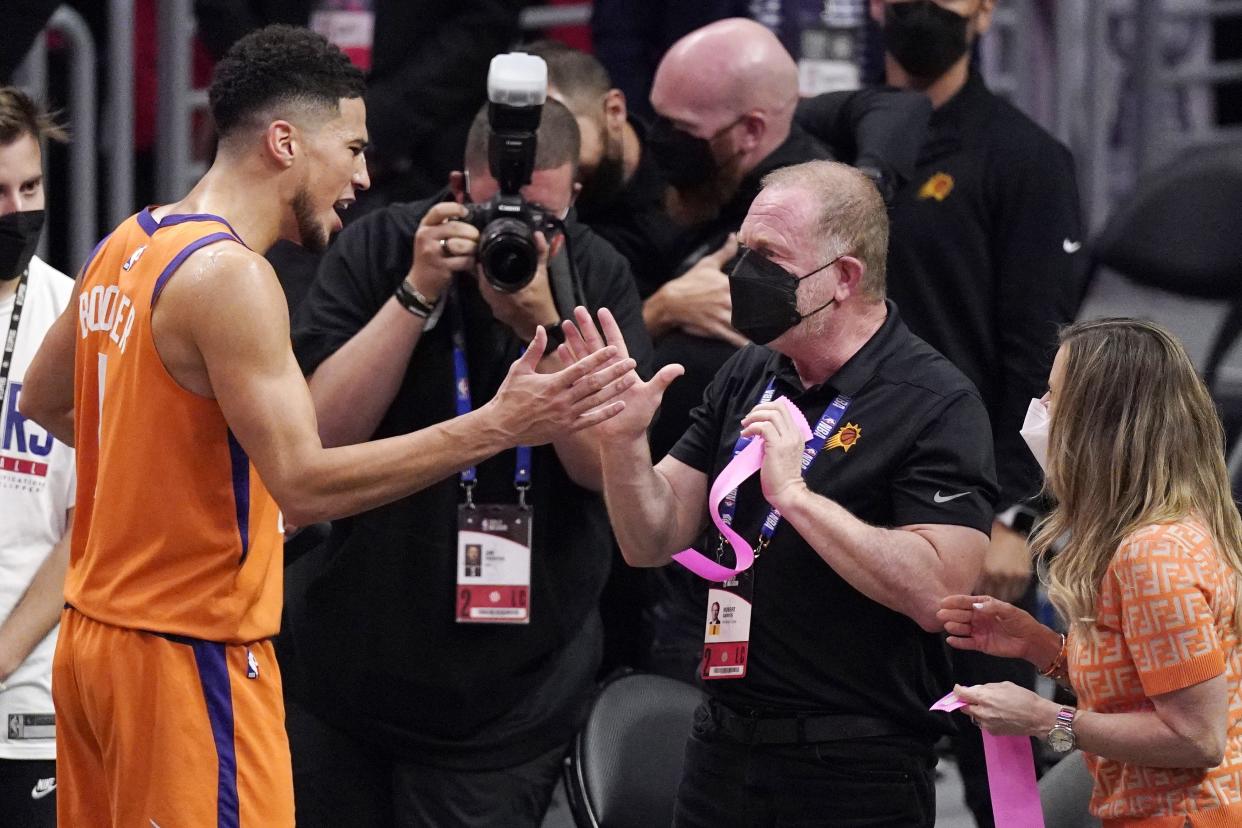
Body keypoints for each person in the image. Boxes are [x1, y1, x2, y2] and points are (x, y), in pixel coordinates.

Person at [18, 27, 632, 828]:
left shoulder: (128, 242)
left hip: (93, 644)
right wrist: (496, 425)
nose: (364, 176)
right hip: (189, 656)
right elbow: (303, 483)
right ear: (285, 142)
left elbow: (45, 400)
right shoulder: (234, 276)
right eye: (352, 148)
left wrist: (174, 484)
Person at [566, 159, 998, 827]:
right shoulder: (751, 370)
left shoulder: (935, 402)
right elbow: (649, 538)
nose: (742, 273)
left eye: (767, 256)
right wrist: (623, 444)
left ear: (844, 278)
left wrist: (797, 496)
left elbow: (938, 594)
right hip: (720, 748)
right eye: (743, 250)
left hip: (854, 770)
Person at [282, 97, 653, 827]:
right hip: (345, 674)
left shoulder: (599, 276)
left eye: (542, 220)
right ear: (458, 191)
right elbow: (320, 436)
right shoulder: (383, 247)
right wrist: (415, 294)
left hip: (508, 701)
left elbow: (600, 473)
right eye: (495, 215)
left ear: (574, 201)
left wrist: (542, 326)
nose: (516, 235)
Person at [870, 3, 1088, 821]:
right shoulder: (838, 146)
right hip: (844, 496)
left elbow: (1042, 358)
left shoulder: (1026, 158)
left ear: (986, 11)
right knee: (855, 752)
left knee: (1000, 763)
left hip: (971, 507)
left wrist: (1015, 514)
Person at [940, 318, 1242, 827]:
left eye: (1054, 396)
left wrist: (1042, 719)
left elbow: (1197, 738)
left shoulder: (1152, 556)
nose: (1039, 410)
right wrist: (1041, 648)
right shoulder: (1151, 531)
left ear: (1100, 423)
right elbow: (1142, 685)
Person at [0, 87, 72, 828]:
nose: (16, 210)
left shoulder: (76, 317)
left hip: (30, 699)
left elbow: (91, 522)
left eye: (29, 186)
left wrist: (0, 653)